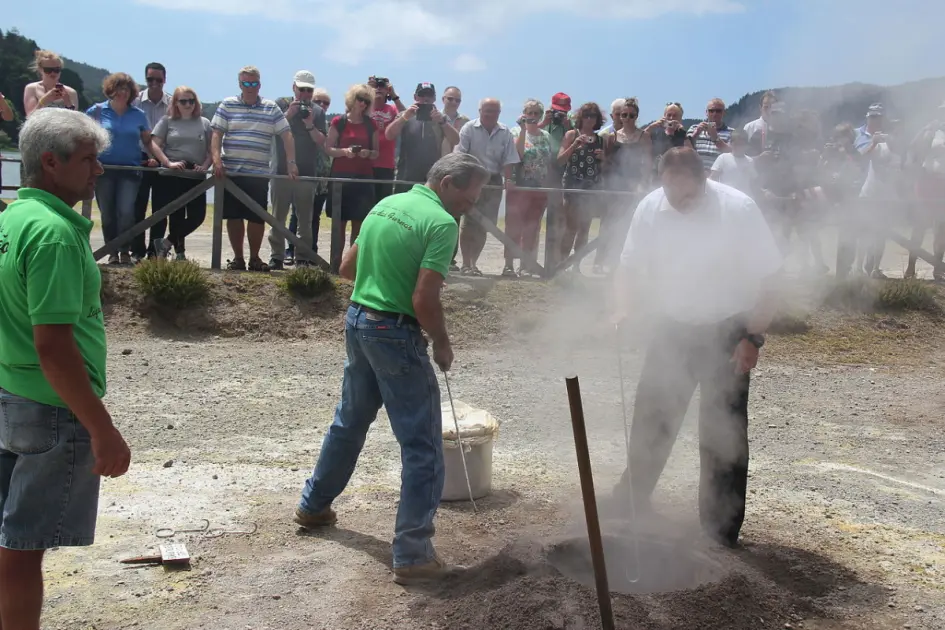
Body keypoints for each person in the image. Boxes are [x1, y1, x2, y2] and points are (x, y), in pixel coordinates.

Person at [294, 152, 489, 585]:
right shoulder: (441, 224)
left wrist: (382, 283)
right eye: (470, 197)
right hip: (395, 333)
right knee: (422, 446)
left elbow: (347, 268)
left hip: (358, 319)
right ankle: (413, 554)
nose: (470, 206)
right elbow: (424, 299)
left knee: (348, 422)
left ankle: (313, 505)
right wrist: (442, 343)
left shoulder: (387, 204)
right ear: (448, 183)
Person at [0, 108, 132, 630]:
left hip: (13, 394)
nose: (98, 169)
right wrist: (102, 429)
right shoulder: (53, 233)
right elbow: (53, 347)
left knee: (11, 538)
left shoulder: (13, 219)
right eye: (88, 159)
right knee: (22, 548)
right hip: (49, 408)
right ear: (51, 163)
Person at [612, 147, 782, 549]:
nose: (679, 201)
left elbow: (772, 278)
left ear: (704, 180)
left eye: (687, 194)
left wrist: (753, 337)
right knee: (653, 417)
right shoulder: (651, 207)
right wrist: (621, 308)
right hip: (672, 327)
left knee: (723, 430)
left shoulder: (738, 209)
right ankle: (632, 501)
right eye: (671, 192)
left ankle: (720, 529)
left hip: (728, 330)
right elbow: (628, 266)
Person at [211, 65, 297, 272]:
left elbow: (286, 134)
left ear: (259, 85)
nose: (249, 87)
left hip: (258, 173)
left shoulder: (271, 107)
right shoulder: (227, 104)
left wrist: (291, 163)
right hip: (232, 171)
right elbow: (216, 134)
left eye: (253, 83)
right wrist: (216, 160)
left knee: (256, 218)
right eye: (245, 83)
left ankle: (255, 258)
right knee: (233, 217)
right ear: (240, 84)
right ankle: (238, 258)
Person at [86, 73, 152, 265]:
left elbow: (148, 141)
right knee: (107, 214)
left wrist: (160, 159)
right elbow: (83, 137)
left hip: (130, 170)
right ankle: (111, 252)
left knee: (126, 213)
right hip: (103, 170)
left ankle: (124, 250)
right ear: (111, 90)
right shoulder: (96, 111)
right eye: (119, 88)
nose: (123, 92)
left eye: (127, 89)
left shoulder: (138, 114)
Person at [267, 70, 328, 270]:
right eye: (302, 89)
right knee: (278, 217)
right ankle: (276, 256)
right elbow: (270, 130)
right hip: (281, 171)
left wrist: (310, 125)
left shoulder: (317, 111)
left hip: (307, 172)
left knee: (305, 220)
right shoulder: (280, 104)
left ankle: (302, 257)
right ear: (294, 87)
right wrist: (288, 115)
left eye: (309, 90)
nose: (305, 94)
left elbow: (321, 141)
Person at [454, 98, 520, 276]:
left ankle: (473, 264)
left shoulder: (505, 132)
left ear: (499, 113)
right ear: (480, 111)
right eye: (488, 111)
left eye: (495, 111)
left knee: (485, 224)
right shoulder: (468, 128)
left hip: (493, 181)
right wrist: (465, 179)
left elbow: (509, 159)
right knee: (469, 223)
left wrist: (508, 179)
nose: (491, 114)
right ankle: (465, 264)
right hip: (472, 178)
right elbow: (460, 155)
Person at [148, 86, 213, 260]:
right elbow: (154, 144)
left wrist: (205, 166)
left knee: (197, 217)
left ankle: (165, 243)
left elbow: (212, 149)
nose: (188, 104)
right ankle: (176, 254)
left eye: (191, 101)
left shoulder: (205, 123)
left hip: (195, 177)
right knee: (174, 216)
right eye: (183, 101)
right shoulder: (167, 121)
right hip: (172, 175)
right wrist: (167, 163)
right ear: (175, 103)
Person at [598, 97, 651, 274]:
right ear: (619, 116)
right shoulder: (611, 137)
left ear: (636, 116)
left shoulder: (644, 136)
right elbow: (606, 163)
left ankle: (626, 263)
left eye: (631, 115)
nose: (627, 118)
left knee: (630, 223)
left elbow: (647, 163)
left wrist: (643, 184)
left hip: (633, 186)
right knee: (610, 223)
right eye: (624, 115)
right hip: (614, 185)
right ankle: (605, 261)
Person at [325, 84, 380, 248]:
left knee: (359, 224)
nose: (363, 103)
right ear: (352, 99)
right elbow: (328, 149)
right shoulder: (339, 121)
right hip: (340, 177)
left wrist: (367, 153)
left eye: (366, 101)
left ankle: (353, 261)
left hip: (363, 178)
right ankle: (336, 260)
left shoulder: (371, 124)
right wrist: (344, 152)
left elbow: (376, 153)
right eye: (360, 99)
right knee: (339, 223)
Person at [504, 99, 553, 278]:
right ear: (524, 114)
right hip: (519, 186)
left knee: (532, 228)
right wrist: (524, 130)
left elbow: (549, 161)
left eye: (536, 113)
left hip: (539, 188)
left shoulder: (546, 136)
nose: (532, 116)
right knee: (513, 227)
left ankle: (526, 266)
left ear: (540, 115)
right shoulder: (515, 132)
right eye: (529, 113)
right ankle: (509, 265)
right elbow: (517, 155)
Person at [558, 101, 606, 273]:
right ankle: (562, 265)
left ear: (597, 119)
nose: (589, 119)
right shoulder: (572, 134)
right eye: (586, 115)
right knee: (570, 228)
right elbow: (560, 160)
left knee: (584, 229)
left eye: (593, 116)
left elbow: (605, 168)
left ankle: (576, 266)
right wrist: (574, 145)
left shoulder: (601, 140)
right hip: (572, 185)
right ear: (580, 117)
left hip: (591, 188)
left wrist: (604, 159)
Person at [385, 83, 460, 194]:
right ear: (415, 97)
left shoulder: (441, 117)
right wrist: (404, 118)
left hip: (431, 178)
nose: (426, 98)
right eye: (422, 95)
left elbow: (456, 140)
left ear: (434, 98)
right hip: (406, 176)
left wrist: (442, 122)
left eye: (429, 95)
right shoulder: (405, 115)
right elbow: (389, 135)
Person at [854, 103, 900, 278]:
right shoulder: (865, 137)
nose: (876, 120)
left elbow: (898, 163)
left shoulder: (891, 141)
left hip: (886, 194)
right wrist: (873, 143)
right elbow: (860, 158)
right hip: (868, 192)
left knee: (881, 233)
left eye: (879, 117)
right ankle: (858, 268)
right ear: (867, 118)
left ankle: (874, 268)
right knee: (864, 232)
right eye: (873, 117)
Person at [287, 88, 333, 265]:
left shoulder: (325, 123)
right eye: (318, 101)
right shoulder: (300, 118)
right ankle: (290, 249)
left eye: (326, 103)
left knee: (314, 216)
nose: (322, 105)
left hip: (322, 176)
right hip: (306, 171)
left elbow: (326, 145)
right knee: (296, 214)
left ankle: (311, 250)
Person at [131, 63, 171, 260]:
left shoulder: (172, 103)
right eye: (150, 79)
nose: (154, 83)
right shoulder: (135, 101)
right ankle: (137, 251)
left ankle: (155, 252)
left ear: (165, 80)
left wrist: (159, 158)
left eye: (158, 79)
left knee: (160, 209)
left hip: (164, 158)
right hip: (139, 157)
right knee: (137, 207)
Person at [905, 101, 945, 280]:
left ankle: (938, 268)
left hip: (943, 183)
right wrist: (926, 131)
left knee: (941, 228)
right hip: (927, 181)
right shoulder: (931, 130)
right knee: (920, 225)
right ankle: (910, 268)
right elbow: (913, 148)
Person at [368, 76, 407, 203]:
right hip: (366, 163)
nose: (379, 89)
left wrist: (394, 95)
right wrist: (366, 90)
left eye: (382, 86)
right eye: (376, 86)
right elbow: (351, 110)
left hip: (386, 164)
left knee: (383, 201)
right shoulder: (365, 107)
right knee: (364, 203)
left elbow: (407, 116)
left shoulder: (392, 109)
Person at [22, 50, 79, 116]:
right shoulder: (32, 89)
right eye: (48, 70)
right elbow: (30, 117)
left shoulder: (71, 92)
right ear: (40, 70)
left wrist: (68, 102)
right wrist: (45, 100)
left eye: (56, 70)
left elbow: (74, 119)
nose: (53, 73)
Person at [646, 102, 690, 179]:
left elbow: (691, 153)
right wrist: (651, 126)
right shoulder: (656, 132)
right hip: (656, 175)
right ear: (664, 117)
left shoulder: (683, 135)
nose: (671, 118)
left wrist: (683, 133)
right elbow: (640, 139)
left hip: (677, 176)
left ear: (680, 119)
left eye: (675, 115)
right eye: (669, 115)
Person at [687, 98, 732, 172]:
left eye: (718, 111)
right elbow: (685, 148)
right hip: (696, 173)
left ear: (724, 113)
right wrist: (696, 133)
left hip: (718, 174)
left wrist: (715, 137)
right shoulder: (694, 128)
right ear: (706, 112)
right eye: (711, 111)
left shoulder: (731, 132)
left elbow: (731, 153)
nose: (714, 114)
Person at [709, 129, 756, 196]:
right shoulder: (723, 158)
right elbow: (712, 178)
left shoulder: (750, 161)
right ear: (730, 144)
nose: (738, 147)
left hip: (745, 197)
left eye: (741, 145)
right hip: (726, 197)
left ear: (746, 145)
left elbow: (753, 182)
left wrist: (763, 192)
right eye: (736, 144)